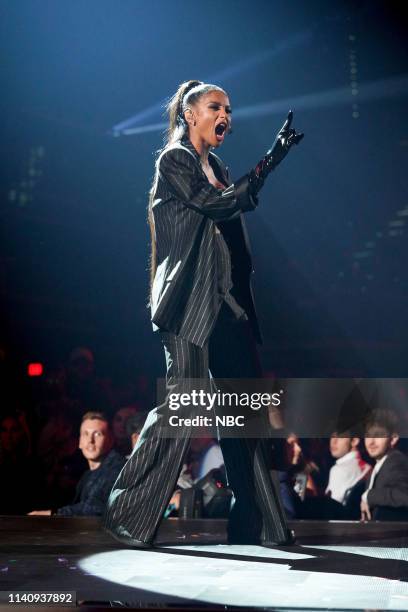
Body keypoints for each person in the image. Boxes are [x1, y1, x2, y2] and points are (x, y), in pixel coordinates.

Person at [104, 79, 304, 547]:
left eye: (229, 109)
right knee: (183, 407)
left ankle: (256, 524)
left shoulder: (215, 164)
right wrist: (269, 162)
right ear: (190, 114)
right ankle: (126, 512)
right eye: (216, 106)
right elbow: (216, 205)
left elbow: (231, 222)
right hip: (189, 303)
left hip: (226, 305)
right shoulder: (174, 159)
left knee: (244, 415)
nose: (226, 116)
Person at [29, 412, 125, 516]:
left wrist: (54, 514)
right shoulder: (88, 475)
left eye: (97, 434)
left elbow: (98, 507)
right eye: (86, 434)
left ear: (110, 440)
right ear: (79, 442)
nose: (90, 440)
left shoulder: (117, 469)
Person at [361, 410, 408, 521]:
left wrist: (368, 496)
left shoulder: (396, 461)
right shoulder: (380, 465)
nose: (371, 442)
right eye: (368, 436)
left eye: (378, 435)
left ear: (393, 438)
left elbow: (404, 496)